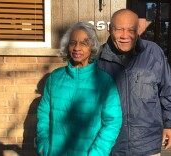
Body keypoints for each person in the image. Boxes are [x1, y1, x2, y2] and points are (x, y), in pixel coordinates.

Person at [96, 9, 171, 156]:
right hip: (109, 145)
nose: (125, 35)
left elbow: (169, 90)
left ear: (138, 31)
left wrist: (169, 124)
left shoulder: (153, 52)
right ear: (110, 29)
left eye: (131, 30)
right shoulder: (97, 58)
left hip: (146, 144)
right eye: (119, 29)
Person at [36, 22, 122, 156]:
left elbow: (112, 121)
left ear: (92, 46)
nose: (77, 48)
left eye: (84, 43)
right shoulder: (55, 77)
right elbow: (43, 113)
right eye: (73, 42)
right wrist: (43, 145)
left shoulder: (104, 81)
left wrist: (97, 153)